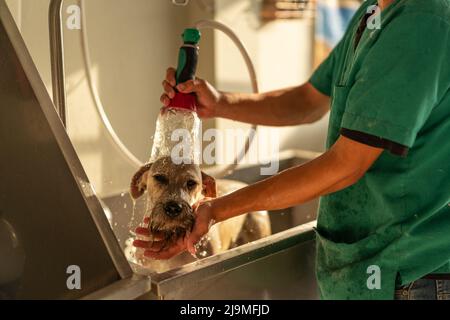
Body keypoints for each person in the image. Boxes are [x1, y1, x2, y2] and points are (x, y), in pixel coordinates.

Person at [134, 0, 450, 300]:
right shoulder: (372, 13)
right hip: (362, 263)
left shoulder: (421, 21)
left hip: (411, 272)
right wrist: (220, 103)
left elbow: (346, 164)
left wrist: (217, 210)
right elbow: (308, 100)